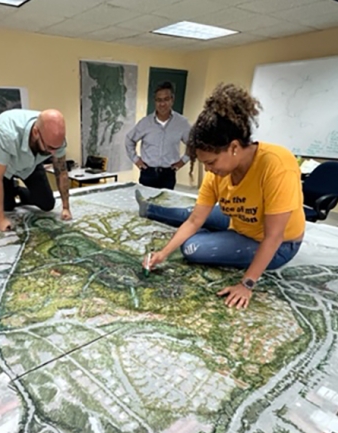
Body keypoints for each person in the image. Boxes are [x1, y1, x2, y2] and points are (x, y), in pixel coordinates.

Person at [138, 83, 305, 309]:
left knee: (192, 248)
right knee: (193, 215)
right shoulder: (217, 173)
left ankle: (219, 238)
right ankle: (210, 231)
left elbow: (274, 236)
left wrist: (247, 284)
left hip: (280, 244)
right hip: (240, 222)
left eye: (211, 162)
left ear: (234, 148)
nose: (208, 170)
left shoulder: (277, 164)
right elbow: (195, 220)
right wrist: (163, 253)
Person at [0, 109, 71, 232]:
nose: (53, 153)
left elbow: (61, 171)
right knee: (8, 206)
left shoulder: (55, 138)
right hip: (4, 163)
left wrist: (66, 207)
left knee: (47, 204)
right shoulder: (6, 134)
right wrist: (1, 220)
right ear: (36, 132)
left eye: (56, 148)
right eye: (50, 148)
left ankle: (17, 190)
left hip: (31, 162)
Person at [125, 81, 192, 190]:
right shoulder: (145, 123)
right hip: (148, 172)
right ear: (155, 102)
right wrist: (136, 159)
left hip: (168, 174)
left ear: (172, 100)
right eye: (159, 100)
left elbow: (193, 144)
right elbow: (129, 139)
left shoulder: (182, 123)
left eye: (166, 99)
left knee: (165, 205)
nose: (162, 104)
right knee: (145, 204)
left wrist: (183, 161)